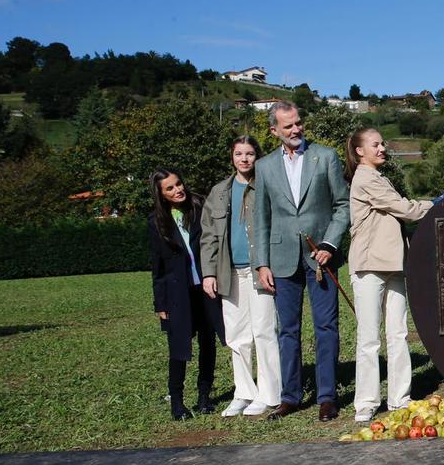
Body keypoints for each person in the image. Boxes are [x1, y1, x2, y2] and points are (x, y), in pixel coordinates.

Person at [252, 101, 351, 422]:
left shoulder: (326, 157)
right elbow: (262, 218)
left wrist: (329, 243)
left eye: (298, 123)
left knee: (326, 328)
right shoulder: (265, 167)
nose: (296, 130)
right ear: (274, 131)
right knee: (287, 331)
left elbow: (342, 206)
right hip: (281, 261)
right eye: (288, 126)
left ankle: (326, 397)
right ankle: (290, 397)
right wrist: (261, 264)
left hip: (320, 258)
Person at [345, 128, 434, 422]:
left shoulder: (379, 177)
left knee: (398, 334)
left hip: (394, 264)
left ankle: (400, 398)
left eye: (382, 143)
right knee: (369, 338)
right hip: (370, 266)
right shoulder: (365, 178)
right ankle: (367, 403)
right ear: (360, 151)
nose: (383, 148)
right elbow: (403, 209)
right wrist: (437, 204)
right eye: (376, 144)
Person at [200, 135, 280, 418]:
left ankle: (269, 393)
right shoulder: (219, 191)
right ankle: (244, 392)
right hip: (229, 272)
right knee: (236, 336)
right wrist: (208, 273)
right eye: (238, 154)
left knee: (264, 331)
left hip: (260, 270)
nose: (244, 159)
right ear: (231, 157)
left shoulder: (267, 186)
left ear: (257, 156)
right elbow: (208, 236)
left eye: (249, 154)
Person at [147, 167, 224, 420]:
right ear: (161, 194)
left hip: (205, 287)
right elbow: (157, 267)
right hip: (177, 293)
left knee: (207, 343)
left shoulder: (199, 208)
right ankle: (177, 403)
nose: (177, 190)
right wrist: (160, 303)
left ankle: (204, 397)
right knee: (178, 348)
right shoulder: (156, 222)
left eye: (178, 184)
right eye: (170, 188)